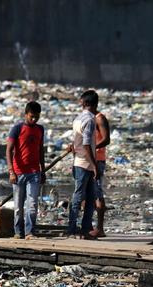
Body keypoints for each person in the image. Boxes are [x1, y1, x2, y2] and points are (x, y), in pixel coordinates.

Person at [6, 101, 45, 239]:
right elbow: (9, 150)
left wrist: (43, 170)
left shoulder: (40, 129)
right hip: (18, 173)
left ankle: (30, 231)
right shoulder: (17, 128)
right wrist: (11, 171)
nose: (34, 119)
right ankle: (18, 232)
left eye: (36, 117)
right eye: (31, 117)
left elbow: (41, 150)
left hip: (34, 172)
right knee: (18, 206)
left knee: (32, 203)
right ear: (26, 114)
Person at [66, 90, 98, 239]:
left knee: (90, 198)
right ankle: (72, 229)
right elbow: (86, 145)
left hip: (79, 161)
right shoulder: (90, 120)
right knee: (79, 197)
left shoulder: (78, 118)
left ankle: (85, 229)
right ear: (95, 104)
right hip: (85, 164)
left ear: (84, 103)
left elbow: (77, 142)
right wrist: (94, 165)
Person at [89, 91, 111, 238]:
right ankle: (89, 226)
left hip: (97, 160)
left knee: (97, 193)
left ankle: (100, 228)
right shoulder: (88, 118)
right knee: (88, 193)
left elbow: (106, 139)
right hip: (88, 158)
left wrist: (90, 146)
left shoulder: (99, 118)